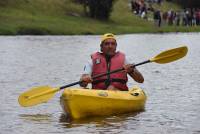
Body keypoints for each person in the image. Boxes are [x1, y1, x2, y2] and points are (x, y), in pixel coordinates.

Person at [80, 33, 144, 91]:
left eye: (113, 44)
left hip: (120, 94)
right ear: (101, 47)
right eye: (107, 44)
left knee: (111, 88)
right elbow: (82, 84)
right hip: (97, 94)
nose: (110, 46)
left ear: (116, 46)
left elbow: (140, 80)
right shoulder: (91, 62)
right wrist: (84, 80)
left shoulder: (125, 60)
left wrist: (132, 71)